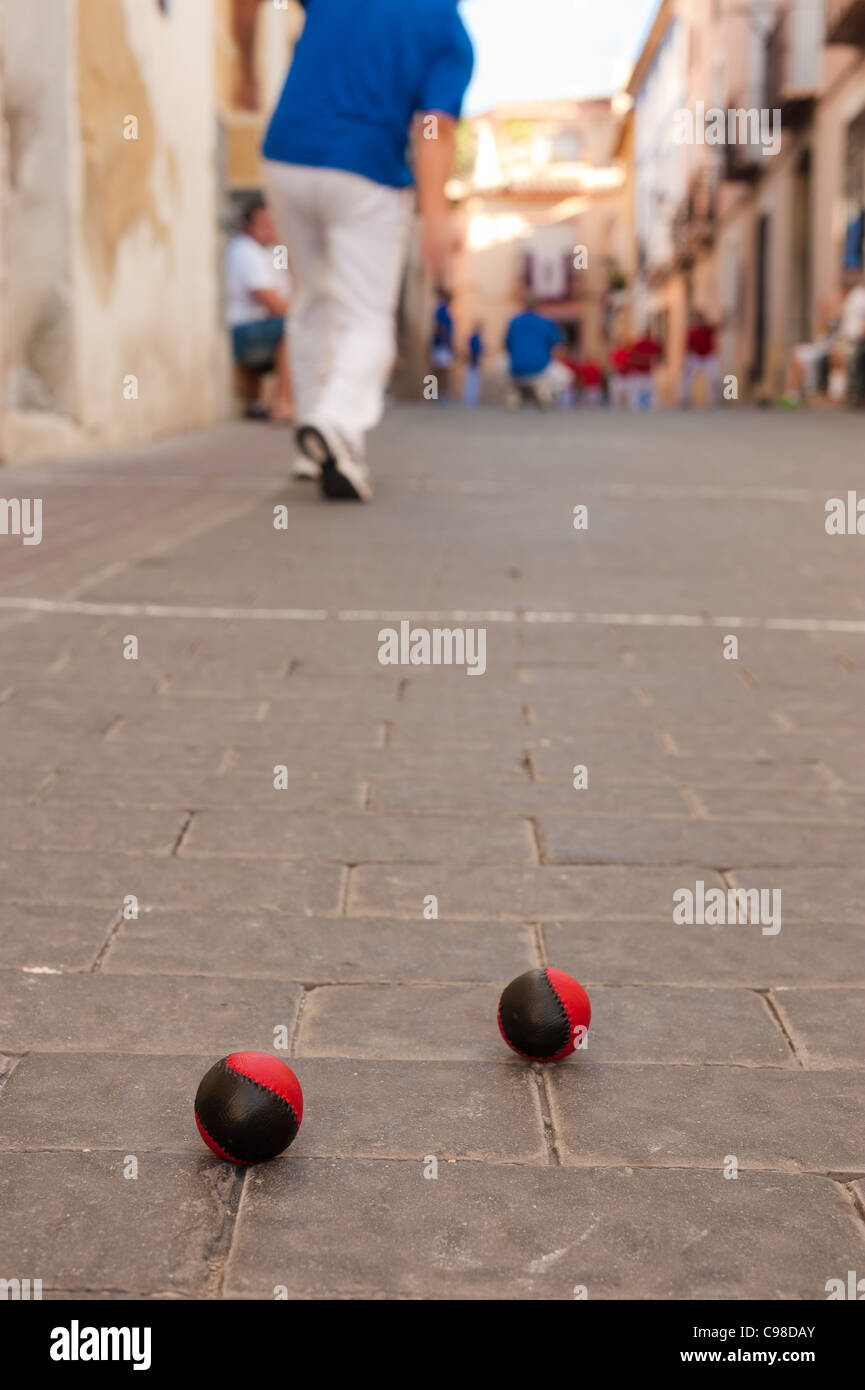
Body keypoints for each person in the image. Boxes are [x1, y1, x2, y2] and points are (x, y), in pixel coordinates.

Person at [262, 0, 474, 501]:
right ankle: (336, 424)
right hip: (365, 169)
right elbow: (435, 128)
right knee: (367, 318)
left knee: (311, 298)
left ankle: (308, 448)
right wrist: (435, 214)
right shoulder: (445, 27)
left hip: (286, 156)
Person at [225, 196, 294, 423]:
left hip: (263, 328)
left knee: (303, 327)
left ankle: (268, 402)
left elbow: (293, 291)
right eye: (263, 224)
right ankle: (283, 403)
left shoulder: (272, 252)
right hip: (243, 333)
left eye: (273, 224)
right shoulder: (244, 250)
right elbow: (274, 304)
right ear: (247, 226)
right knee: (295, 328)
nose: (269, 230)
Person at [503, 296, 566, 408]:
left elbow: (507, 345)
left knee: (501, 364)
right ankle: (544, 389)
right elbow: (558, 346)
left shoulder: (514, 321)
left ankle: (516, 392)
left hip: (516, 369)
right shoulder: (546, 322)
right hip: (540, 369)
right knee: (566, 375)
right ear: (538, 305)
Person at [679, 310, 719, 407]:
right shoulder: (692, 332)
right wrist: (686, 361)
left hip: (708, 356)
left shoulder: (708, 329)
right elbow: (688, 347)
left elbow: (718, 326)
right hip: (695, 357)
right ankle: (685, 398)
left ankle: (714, 400)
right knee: (686, 377)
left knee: (713, 377)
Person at [431, 290, 457, 401]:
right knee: (441, 370)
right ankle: (436, 394)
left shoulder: (446, 311)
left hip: (443, 345)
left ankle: (439, 394)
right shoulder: (441, 310)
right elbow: (439, 326)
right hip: (441, 345)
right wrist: (446, 342)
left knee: (442, 370)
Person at [628, 327, 661, 410]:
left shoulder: (653, 344)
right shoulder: (639, 344)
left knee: (650, 389)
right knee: (636, 390)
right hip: (638, 371)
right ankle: (635, 406)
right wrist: (645, 358)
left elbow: (656, 356)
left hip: (648, 371)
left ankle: (651, 406)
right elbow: (634, 357)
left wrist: (646, 359)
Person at [463, 323, 485, 407]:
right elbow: (472, 351)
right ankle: (470, 400)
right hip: (472, 362)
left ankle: (472, 400)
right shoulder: (474, 338)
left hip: (473, 362)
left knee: (473, 382)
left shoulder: (476, 338)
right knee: (471, 382)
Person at [608, 339, 632, 408]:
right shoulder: (614, 353)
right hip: (618, 375)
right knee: (617, 393)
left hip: (626, 375)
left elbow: (628, 362)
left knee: (627, 392)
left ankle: (627, 406)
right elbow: (613, 364)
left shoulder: (626, 352)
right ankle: (616, 406)